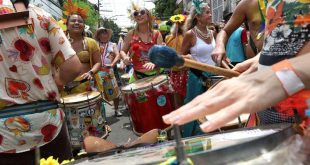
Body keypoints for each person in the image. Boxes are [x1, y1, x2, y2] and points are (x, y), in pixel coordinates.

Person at [163, 0, 310, 131]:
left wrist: (280, 77)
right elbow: (281, 40)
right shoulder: (269, 4)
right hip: (269, 103)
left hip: (301, 102)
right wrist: (261, 59)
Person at [0, 0, 81, 164]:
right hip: (48, 122)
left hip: (4, 135)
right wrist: (59, 80)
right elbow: (72, 66)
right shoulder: (41, 16)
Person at [179, 1, 216, 137]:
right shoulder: (190, 34)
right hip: (197, 79)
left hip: (214, 77)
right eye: (207, 12)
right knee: (198, 114)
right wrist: (188, 57)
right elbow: (181, 56)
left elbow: (216, 54)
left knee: (213, 113)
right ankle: (195, 144)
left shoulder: (213, 33)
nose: (210, 14)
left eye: (209, 11)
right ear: (198, 17)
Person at [120, 4, 163, 83]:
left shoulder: (157, 34)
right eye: (136, 14)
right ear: (134, 18)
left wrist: (153, 62)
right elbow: (122, 51)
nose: (139, 15)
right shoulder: (131, 34)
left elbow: (161, 54)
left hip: (156, 75)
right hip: (138, 76)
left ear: (148, 15)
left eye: (142, 12)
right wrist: (125, 57)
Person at [211, 0, 264, 65]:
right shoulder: (247, 3)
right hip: (256, 57)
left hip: (277, 61)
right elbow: (225, 31)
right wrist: (219, 46)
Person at [64, 13, 101, 94]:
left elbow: (98, 62)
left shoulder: (91, 42)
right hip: (66, 88)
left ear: (84, 26)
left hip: (87, 86)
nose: (77, 23)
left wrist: (91, 72)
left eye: (80, 21)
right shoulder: (60, 43)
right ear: (67, 25)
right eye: (73, 21)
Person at [95, 27, 122, 117]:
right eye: (102, 33)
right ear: (98, 35)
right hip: (97, 72)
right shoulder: (94, 44)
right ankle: (99, 114)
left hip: (108, 71)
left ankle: (117, 109)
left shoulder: (113, 44)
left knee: (115, 91)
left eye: (105, 33)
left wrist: (112, 64)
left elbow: (118, 55)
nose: (104, 35)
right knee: (97, 94)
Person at [165, 14, 188, 109]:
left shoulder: (168, 38)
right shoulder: (186, 37)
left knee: (179, 101)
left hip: (175, 72)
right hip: (184, 72)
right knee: (184, 101)